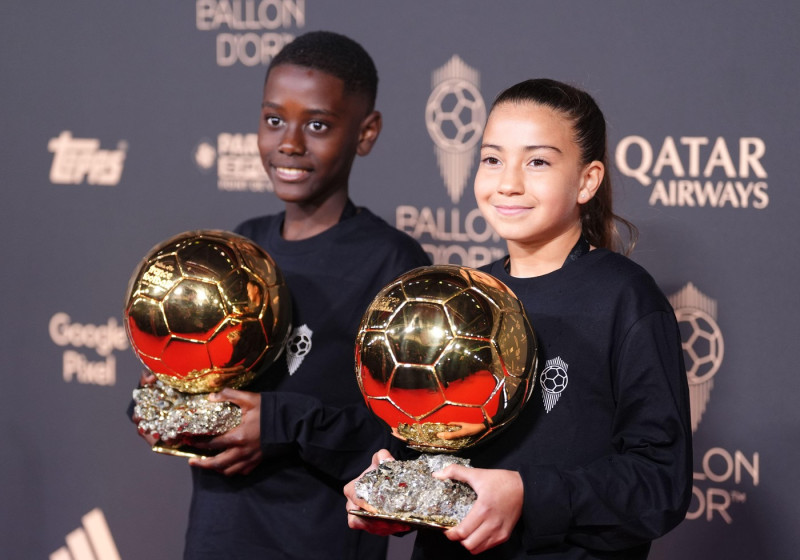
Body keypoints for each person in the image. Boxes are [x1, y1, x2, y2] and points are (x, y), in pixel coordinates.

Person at [345, 78, 693, 559]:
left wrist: (528, 494)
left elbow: (660, 484)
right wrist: (396, 487)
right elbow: (435, 449)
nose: (508, 182)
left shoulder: (625, 298)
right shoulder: (462, 296)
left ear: (587, 180)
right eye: (492, 159)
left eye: (538, 162)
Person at [133, 31, 431, 559]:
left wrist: (279, 424)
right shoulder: (240, 247)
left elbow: (407, 446)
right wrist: (169, 400)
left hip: (319, 540)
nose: (289, 143)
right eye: (274, 120)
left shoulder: (393, 265)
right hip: (219, 537)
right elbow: (202, 394)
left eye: (317, 125)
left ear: (366, 132)